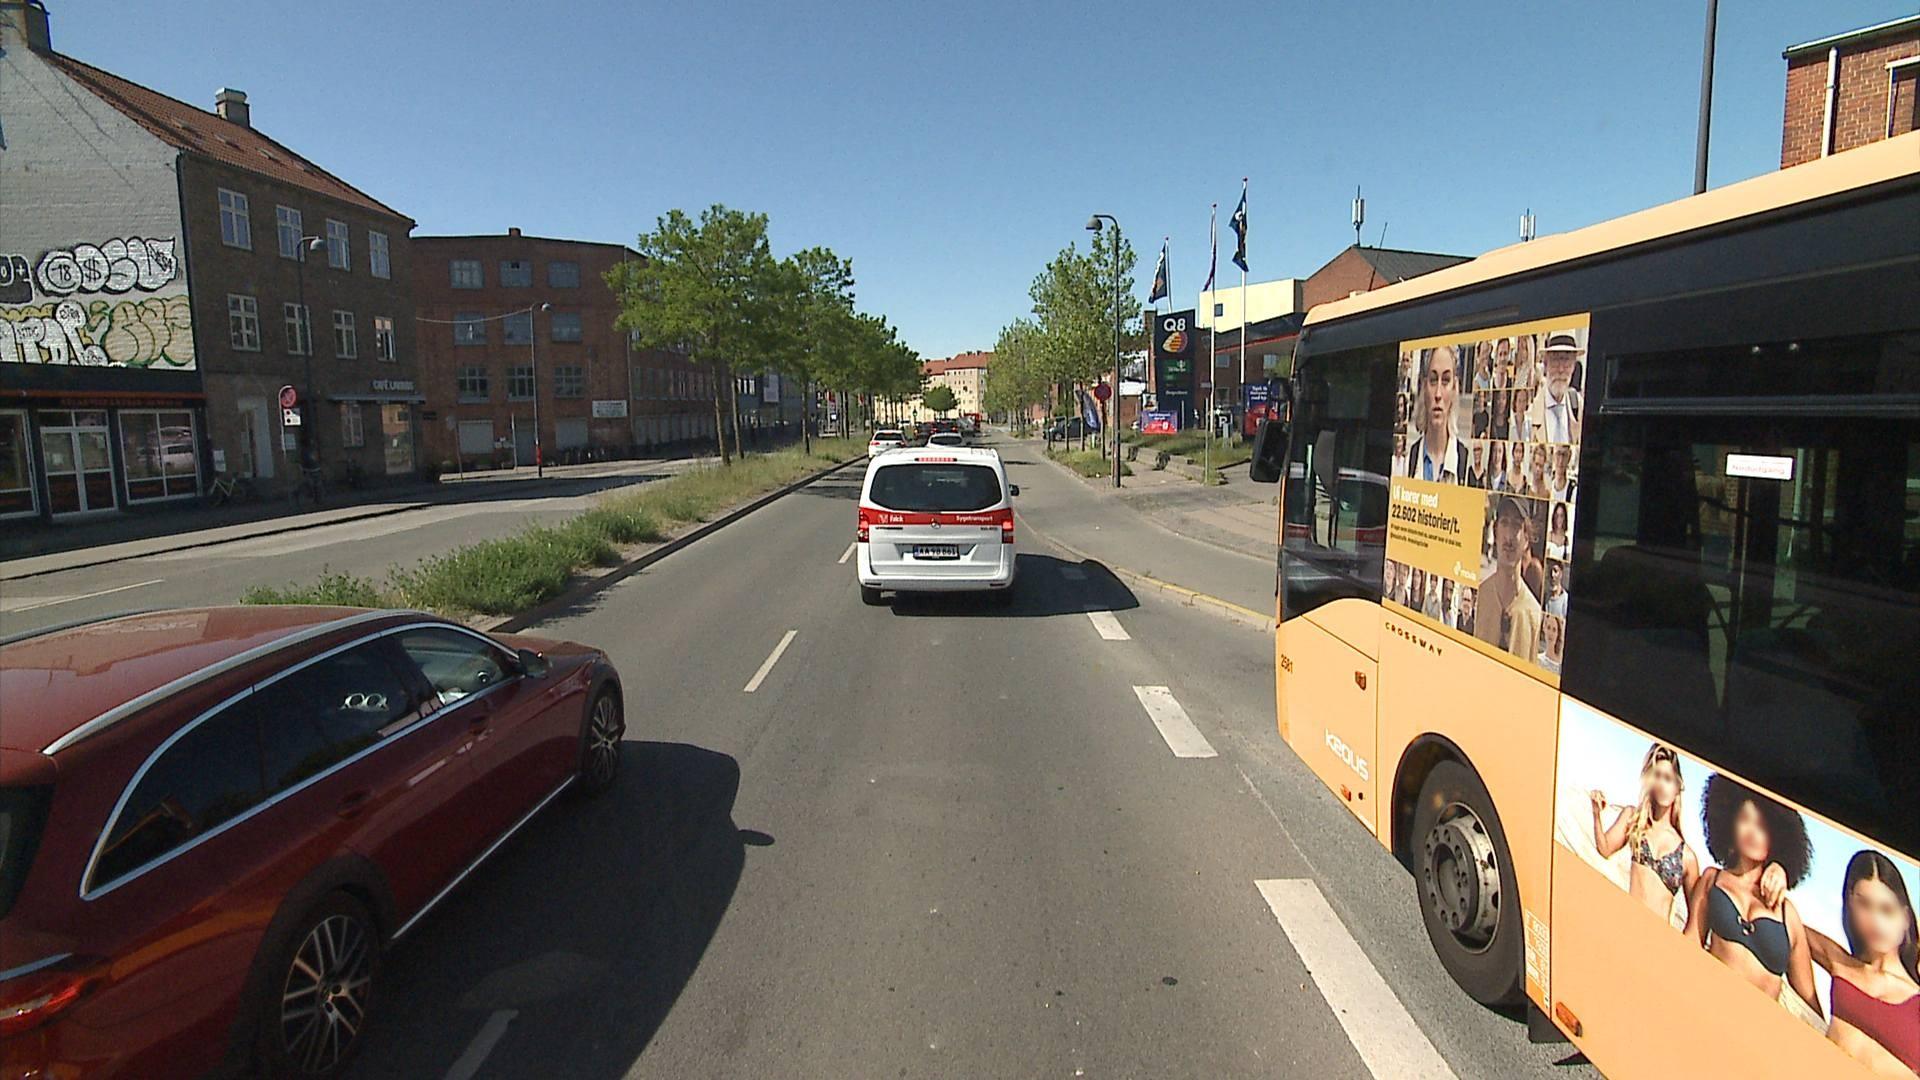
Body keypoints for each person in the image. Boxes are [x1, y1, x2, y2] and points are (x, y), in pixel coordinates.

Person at [1685, 774, 1822, 1022]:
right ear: (1730, 824)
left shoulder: (1787, 913)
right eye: (1745, 819)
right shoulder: (1712, 879)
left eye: (1762, 826)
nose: (1752, 832)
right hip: (1706, 1011)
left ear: (1777, 838)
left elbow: (1809, 1001)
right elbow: (1689, 943)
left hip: (1758, 1031)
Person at [1804, 850, 1920, 1075]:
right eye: (1864, 904)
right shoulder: (1842, 965)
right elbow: (1786, 923)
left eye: (1887, 910)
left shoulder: (1916, 1001)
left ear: (1905, 918)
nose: (1876, 921)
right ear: (1850, 904)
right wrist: (1778, 872)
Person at [1591, 742, 1701, 921]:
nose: (1662, 785)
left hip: (1656, 935)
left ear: (1677, 787)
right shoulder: (1633, 819)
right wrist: (1596, 814)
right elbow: (1605, 849)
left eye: (1668, 778)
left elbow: (1696, 919)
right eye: (1657, 776)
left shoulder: (1687, 857)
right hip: (1627, 923)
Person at [1475, 496, 1544, 660]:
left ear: (1526, 539)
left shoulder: (1533, 613)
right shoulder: (1479, 597)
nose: (1509, 536)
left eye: (1516, 525)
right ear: (1495, 532)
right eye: (1505, 523)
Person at [1404, 344, 1469, 481]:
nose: (1438, 394)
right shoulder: (1409, 459)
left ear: (1454, 388)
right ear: (1424, 387)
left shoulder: (1465, 461)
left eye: (1445, 381)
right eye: (1433, 380)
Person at [1529, 332, 1585, 443]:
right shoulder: (1531, 411)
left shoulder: (1578, 406)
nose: (1561, 370)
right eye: (1555, 361)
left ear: (1573, 367)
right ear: (1545, 364)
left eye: (1566, 362)